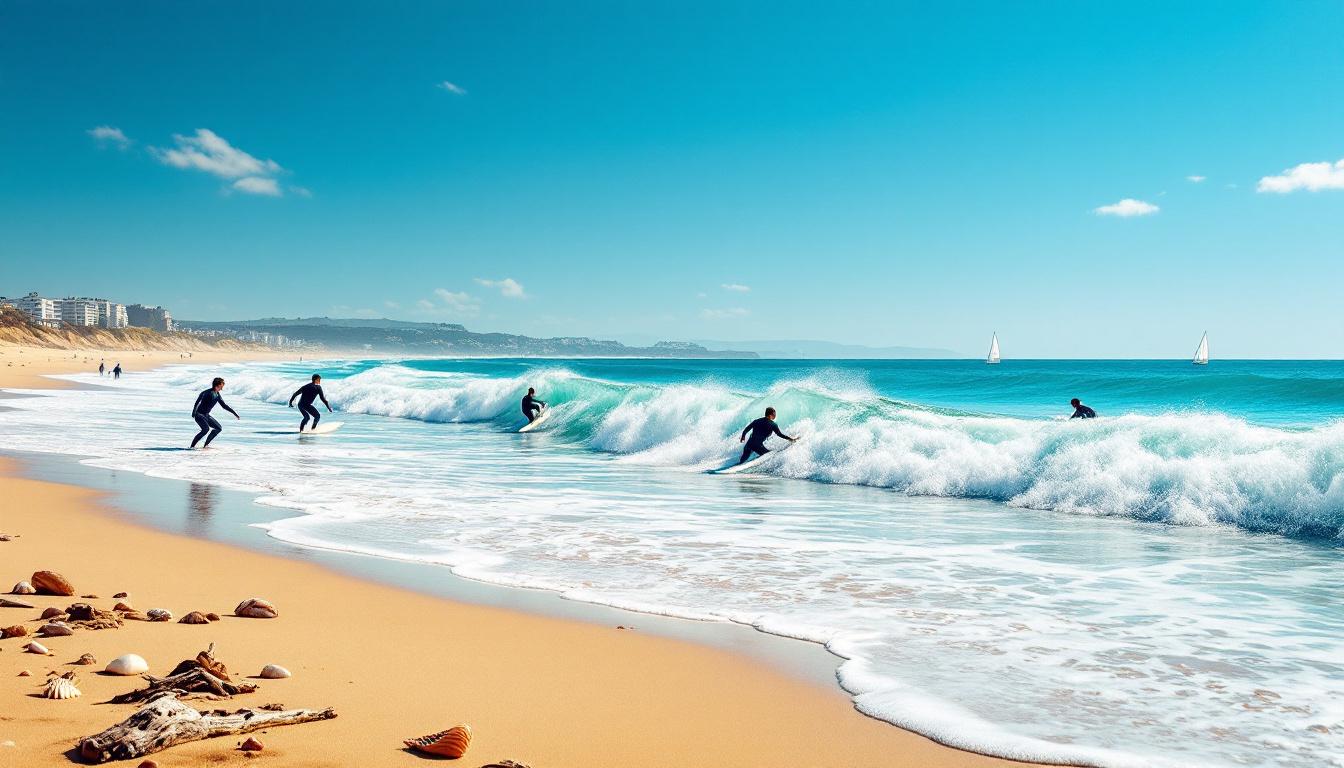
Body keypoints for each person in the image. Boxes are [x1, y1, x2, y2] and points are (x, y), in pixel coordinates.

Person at [191, 377, 239, 448]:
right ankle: (192, 447)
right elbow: (198, 401)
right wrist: (194, 412)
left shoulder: (217, 394)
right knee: (205, 429)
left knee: (218, 428)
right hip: (199, 415)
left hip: (206, 415)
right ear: (218, 385)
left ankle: (206, 445)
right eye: (222, 384)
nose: (223, 386)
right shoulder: (207, 393)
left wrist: (234, 413)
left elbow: (224, 405)